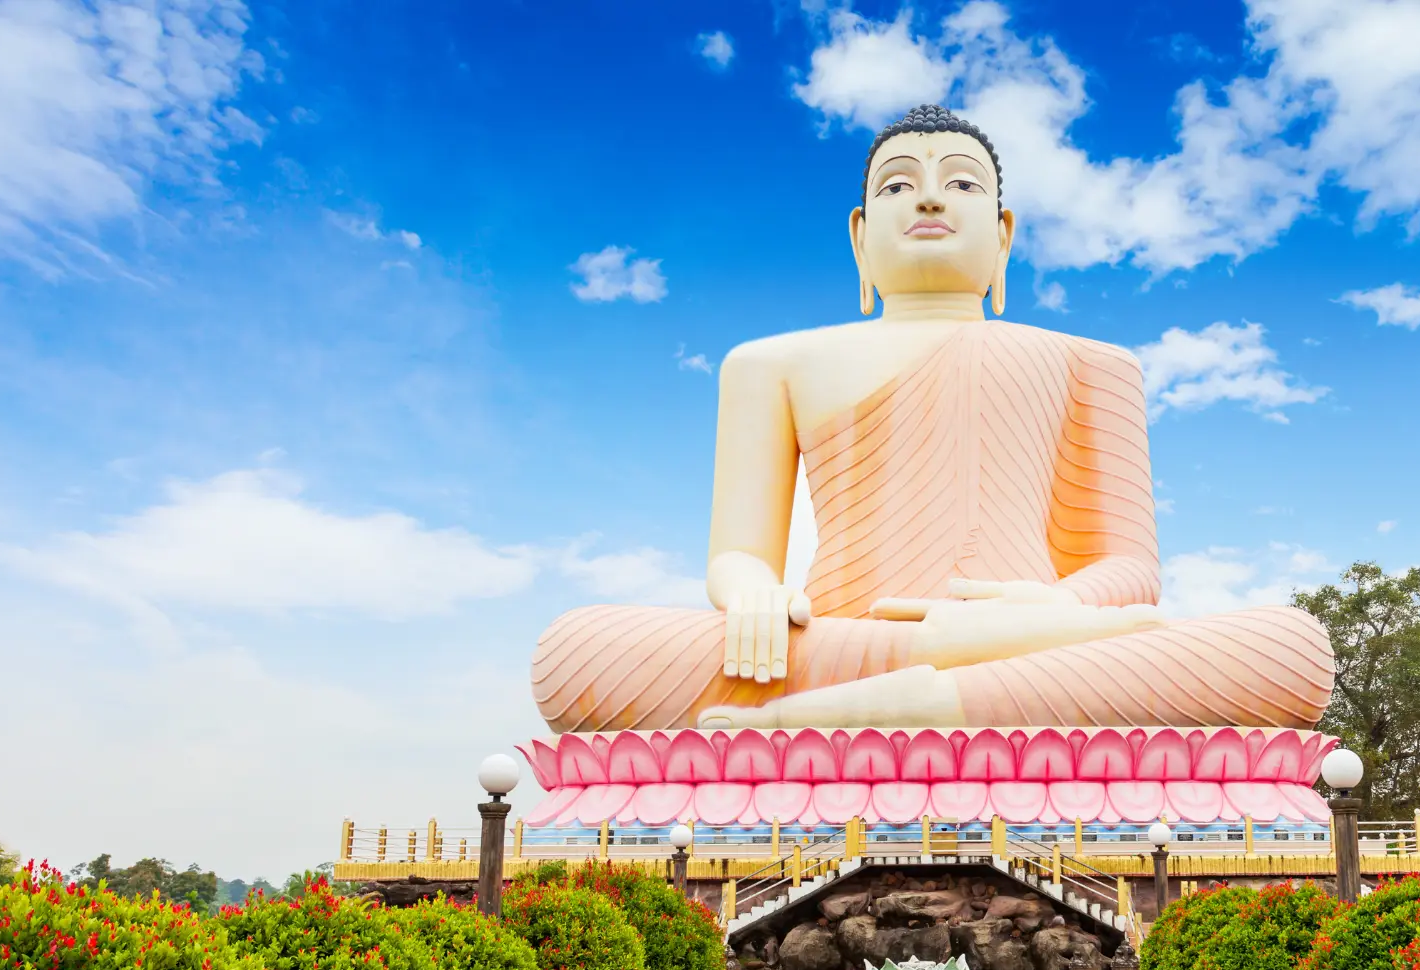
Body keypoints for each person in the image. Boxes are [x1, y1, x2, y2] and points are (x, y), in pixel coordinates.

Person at [533, 105, 1333, 734]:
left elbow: (1127, 567)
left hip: (1041, 634)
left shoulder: (1092, 362)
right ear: (859, 235)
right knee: (576, 654)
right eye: (896, 186)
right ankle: (932, 685)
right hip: (845, 644)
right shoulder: (769, 363)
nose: (927, 197)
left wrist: (1054, 613)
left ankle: (832, 719)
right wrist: (751, 594)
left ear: (1003, 233)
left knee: (1289, 648)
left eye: (961, 183)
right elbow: (740, 554)